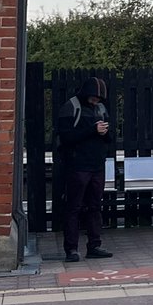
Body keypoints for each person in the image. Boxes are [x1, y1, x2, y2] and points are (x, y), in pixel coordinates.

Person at [56, 77, 114, 262]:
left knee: (95, 206)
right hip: (77, 165)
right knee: (74, 207)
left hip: (97, 164)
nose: (97, 100)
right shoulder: (70, 107)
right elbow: (66, 138)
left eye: (99, 98)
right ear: (86, 94)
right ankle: (71, 249)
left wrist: (105, 133)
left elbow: (109, 137)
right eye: (94, 97)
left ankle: (94, 245)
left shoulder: (101, 109)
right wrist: (92, 129)